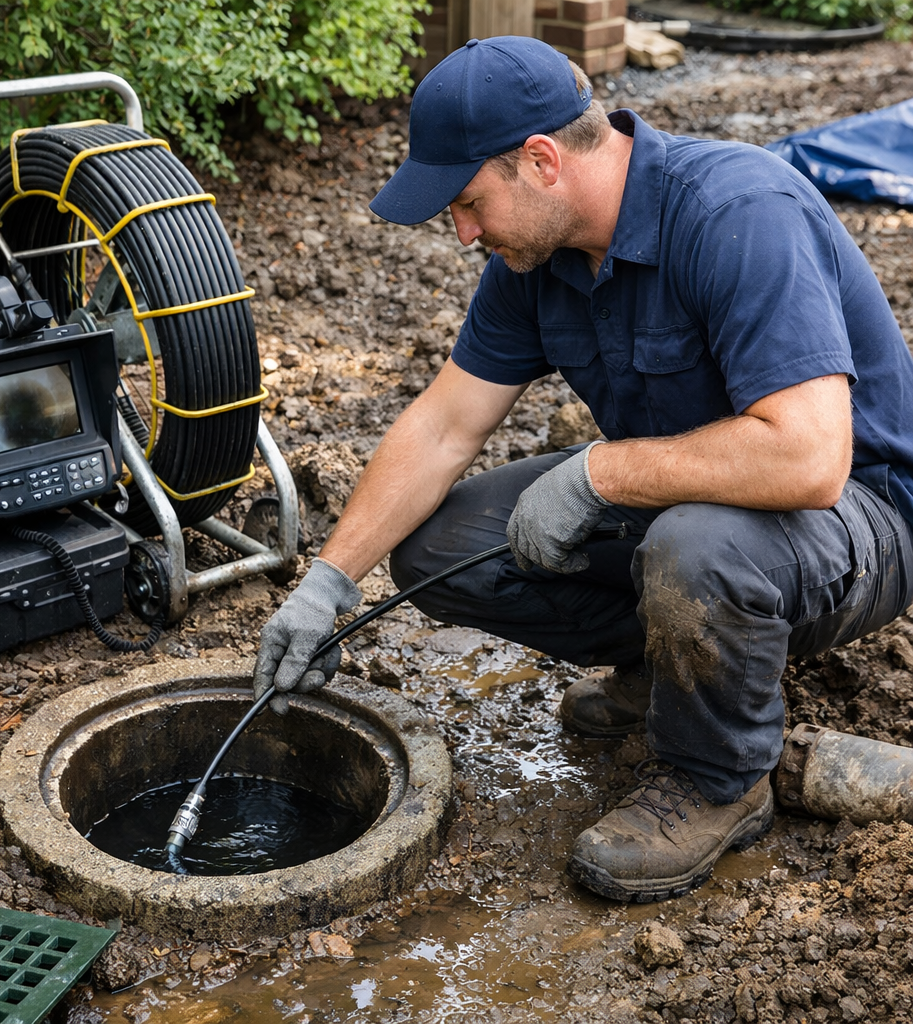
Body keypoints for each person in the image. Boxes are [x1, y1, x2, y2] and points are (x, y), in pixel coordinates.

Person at [253, 35, 913, 902]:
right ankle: (677, 675)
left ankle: (720, 778)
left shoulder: (737, 212)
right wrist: (327, 584)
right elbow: (444, 426)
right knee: (441, 546)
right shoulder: (537, 257)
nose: (463, 232)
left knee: (696, 547)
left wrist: (598, 475)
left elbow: (810, 458)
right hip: (696, 504)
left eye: (468, 202)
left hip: (859, 523)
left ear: (541, 161)